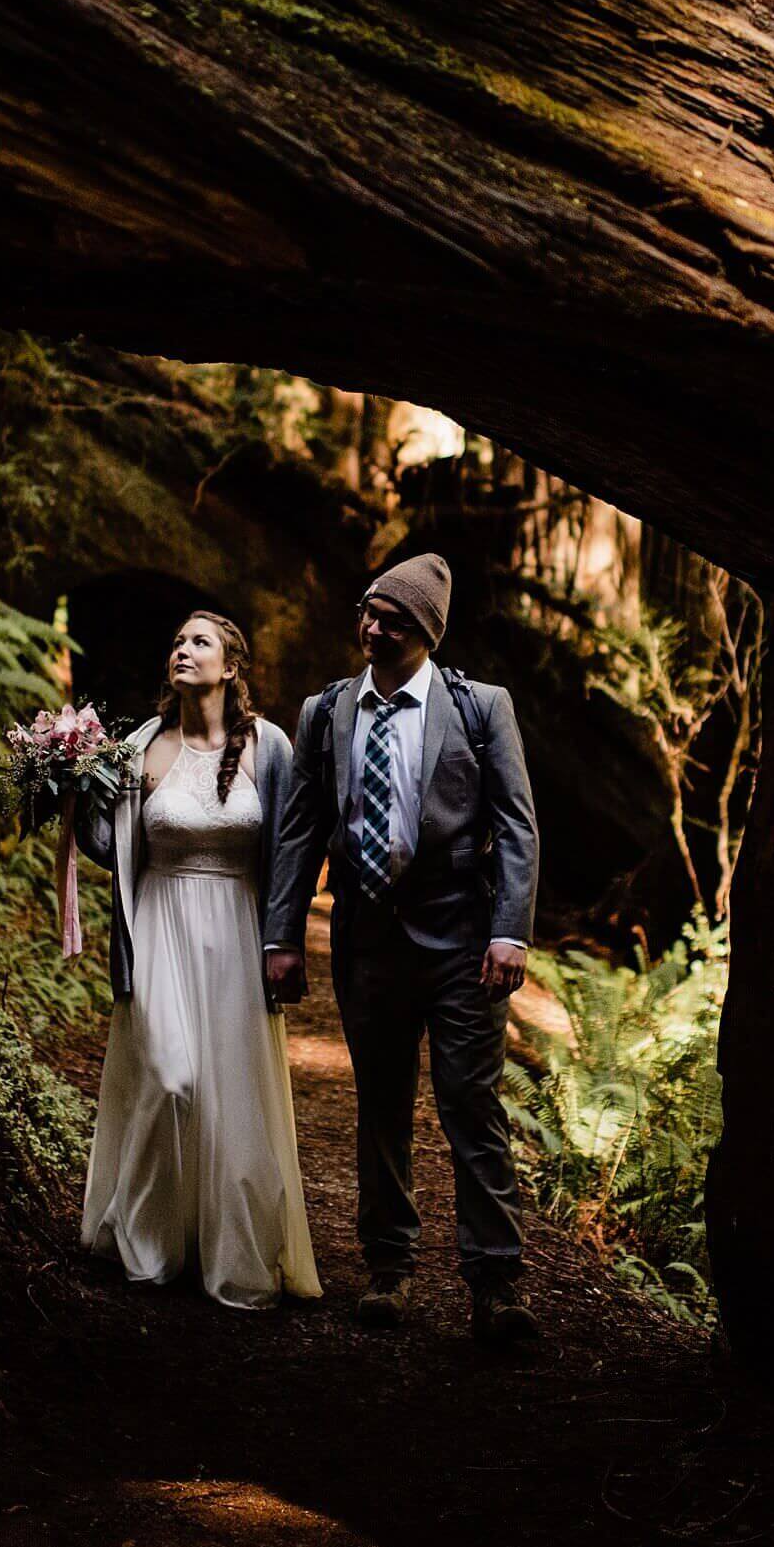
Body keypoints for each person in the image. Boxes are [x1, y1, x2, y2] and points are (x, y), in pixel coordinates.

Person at [264, 554, 541, 1346]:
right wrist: (283, 933)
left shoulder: (482, 707)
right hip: (368, 939)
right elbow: (302, 825)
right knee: (381, 1105)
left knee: (470, 1104)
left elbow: (517, 823)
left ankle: (496, 1282)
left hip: (462, 941)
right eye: (369, 613)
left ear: (427, 632)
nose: (373, 628)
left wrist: (509, 929)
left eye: (392, 619)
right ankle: (389, 1265)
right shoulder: (327, 711)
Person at [67, 611, 321, 1312]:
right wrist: (67, 779)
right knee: (170, 1079)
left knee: (230, 1096)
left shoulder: (269, 746)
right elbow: (108, 845)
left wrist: (284, 935)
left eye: (199, 642)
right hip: (160, 924)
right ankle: (148, 1242)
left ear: (231, 666)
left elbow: (295, 846)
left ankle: (225, 1245)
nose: (183, 649)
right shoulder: (141, 747)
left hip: (236, 930)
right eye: (176, 640)